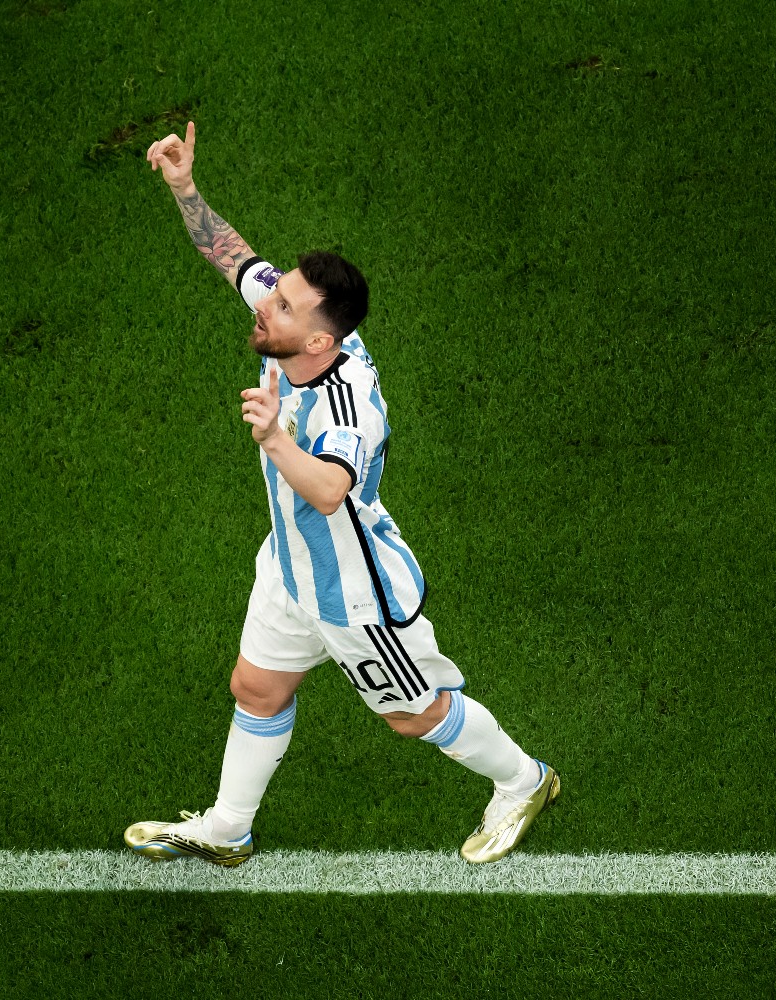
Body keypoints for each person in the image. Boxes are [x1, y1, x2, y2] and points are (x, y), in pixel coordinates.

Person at [124, 122, 559, 866]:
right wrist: (184, 188)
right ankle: (229, 831)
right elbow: (233, 258)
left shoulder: (349, 404)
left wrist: (276, 441)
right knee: (256, 687)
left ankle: (526, 782)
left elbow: (330, 489)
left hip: (353, 590)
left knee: (415, 716)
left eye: (285, 307)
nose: (267, 304)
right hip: (289, 567)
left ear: (320, 341)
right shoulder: (303, 328)